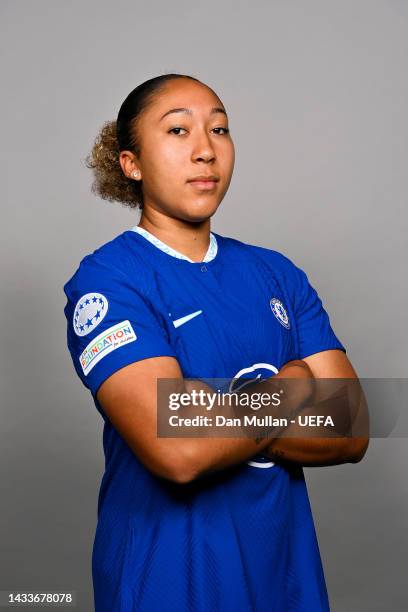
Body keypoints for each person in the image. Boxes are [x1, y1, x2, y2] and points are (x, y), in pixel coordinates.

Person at [63, 73, 369, 611]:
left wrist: (212, 416)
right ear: (130, 164)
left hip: (284, 579)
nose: (206, 150)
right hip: (167, 583)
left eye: (220, 129)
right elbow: (177, 451)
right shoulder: (110, 279)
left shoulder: (277, 274)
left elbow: (352, 429)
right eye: (178, 130)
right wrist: (290, 390)